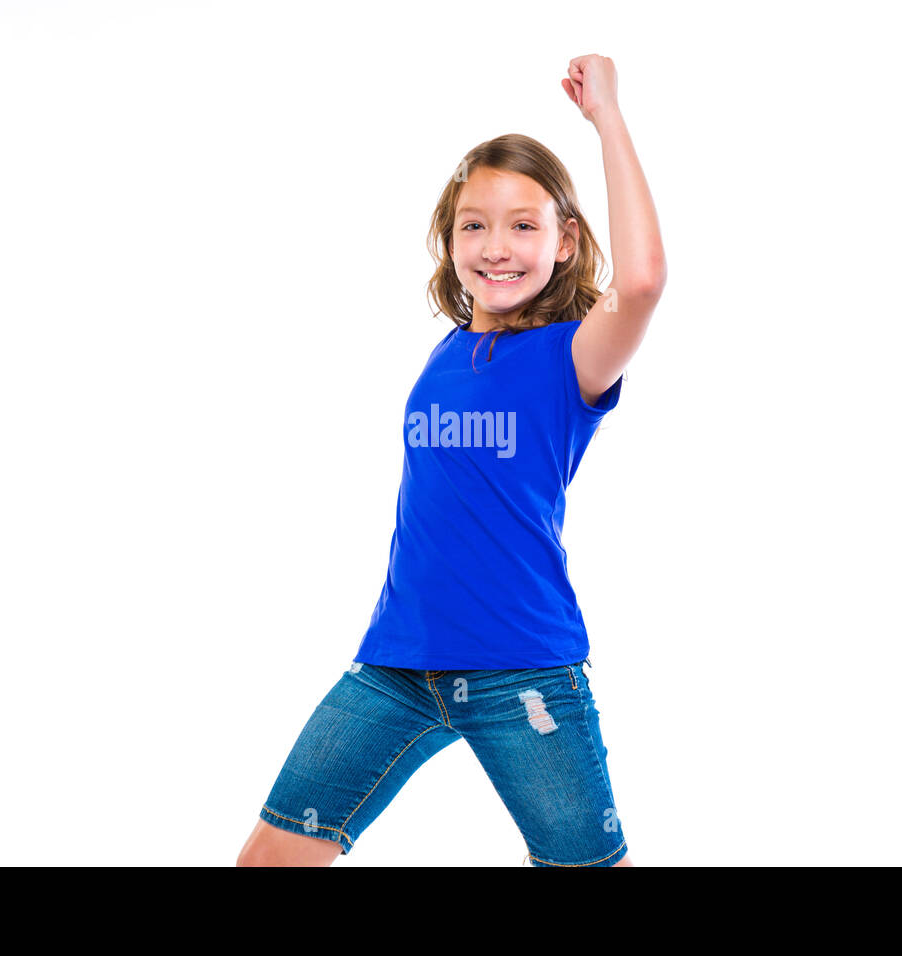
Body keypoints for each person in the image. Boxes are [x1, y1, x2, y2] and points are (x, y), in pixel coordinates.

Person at [238, 54, 665, 867]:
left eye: (524, 225)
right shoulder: (445, 354)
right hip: (396, 664)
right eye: (475, 224)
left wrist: (607, 116)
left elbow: (641, 283)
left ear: (566, 242)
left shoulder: (571, 359)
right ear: (449, 238)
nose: (496, 247)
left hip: (524, 675)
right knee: (269, 859)